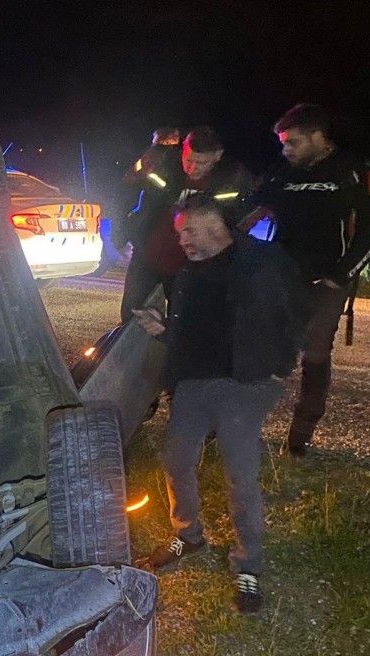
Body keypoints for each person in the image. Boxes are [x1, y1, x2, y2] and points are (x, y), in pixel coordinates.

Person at [132, 193, 305, 615]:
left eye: (188, 232)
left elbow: (297, 312)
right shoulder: (187, 275)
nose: (183, 241)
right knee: (176, 460)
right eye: (180, 234)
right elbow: (192, 333)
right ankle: (188, 535)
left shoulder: (262, 261)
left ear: (214, 226)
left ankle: (248, 564)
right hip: (195, 382)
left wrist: (283, 367)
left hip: (245, 383)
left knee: (239, 474)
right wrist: (162, 331)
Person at [245, 104, 370, 456]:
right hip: (279, 274)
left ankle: (300, 438)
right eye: (283, 143)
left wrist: (342, 275)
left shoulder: (356, 170)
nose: (285, 150)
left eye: (292, 142)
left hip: (328, 278)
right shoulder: (281, 173)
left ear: (318, 137)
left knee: (315, 350)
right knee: (256, 343)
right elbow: (247, 211)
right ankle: (235, 424)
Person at [117, 126, 254, 322]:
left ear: (217, 156)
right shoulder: (165, 168)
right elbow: (137, 202)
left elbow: (235, 221)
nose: (192, 168)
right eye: (188, 160)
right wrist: (121, 236)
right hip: (147, 258)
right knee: (131, 317)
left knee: (183, 322)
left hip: (192, 268)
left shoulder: (232, 180)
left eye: (201, 163)